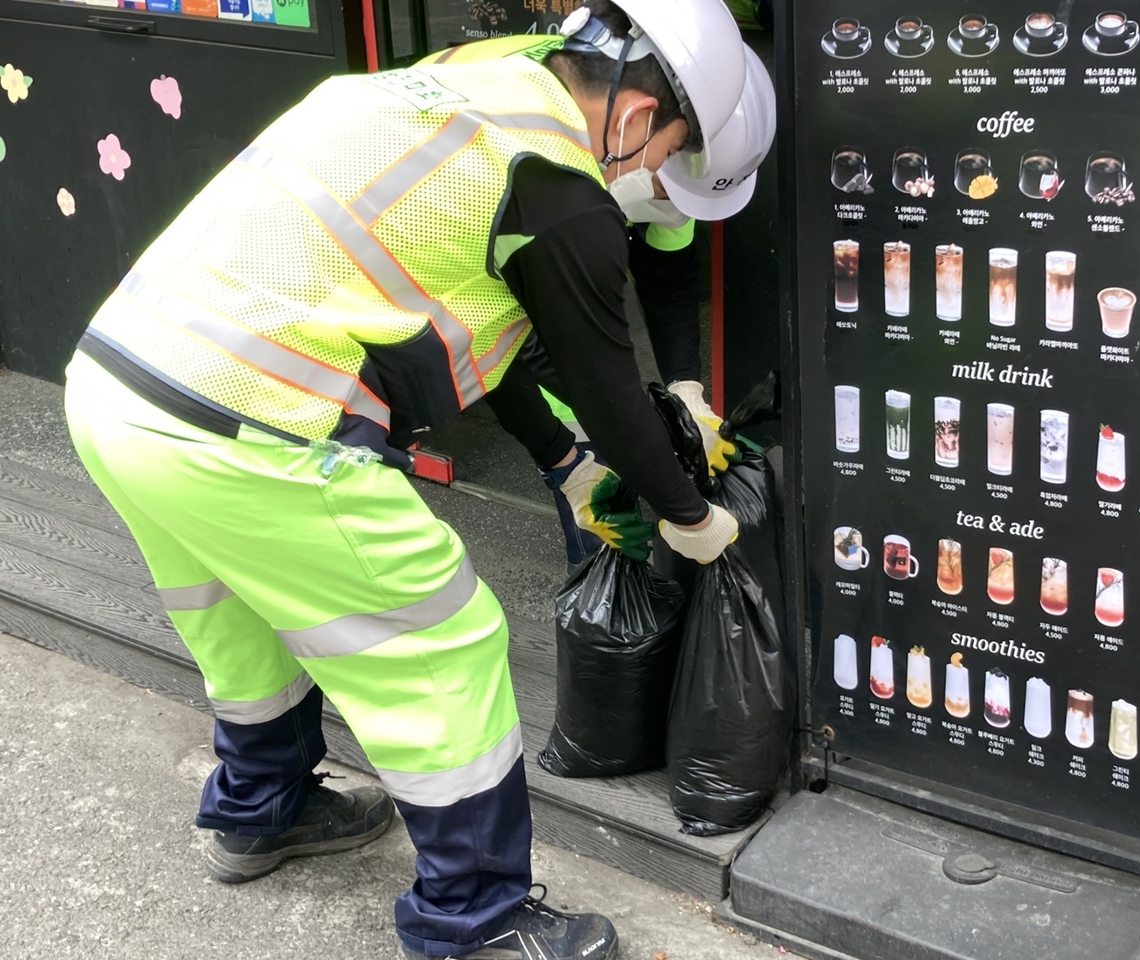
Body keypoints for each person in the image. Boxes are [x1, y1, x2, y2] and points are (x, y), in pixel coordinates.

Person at [61, 2, 748, 958]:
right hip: (255, 423)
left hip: (117, 387)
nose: (652, 175)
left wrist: (566, 465)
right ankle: (475, 922)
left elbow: (488, 342)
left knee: (240, 618)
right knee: (443, 642)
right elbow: (606, 387)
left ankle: (261, 811)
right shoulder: (563, 187)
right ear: (637, 110)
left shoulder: (477, 84)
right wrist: (690, 515)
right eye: (666, 150)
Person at [422, 28, 778, 566]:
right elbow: (488, 338)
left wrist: (685, 394)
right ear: (637, 118)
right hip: (307, 400)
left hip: (322, 382)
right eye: (666, 163)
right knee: (598, 548)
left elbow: (669, 278)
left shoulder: (594, 113)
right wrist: (568, 456)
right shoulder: (546, 180)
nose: (659, 182)